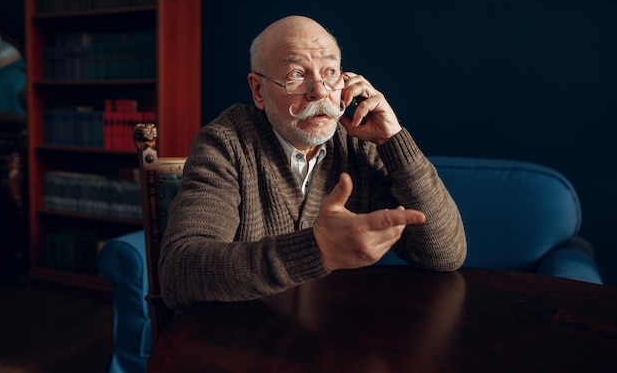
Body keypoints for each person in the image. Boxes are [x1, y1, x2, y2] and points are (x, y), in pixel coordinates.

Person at [160, 15, 466, 310]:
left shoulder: (358, 146)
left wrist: (393, 141)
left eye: (330, 73)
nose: (319, 91)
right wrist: (319, 250)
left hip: (335, 342)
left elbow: (444, 256)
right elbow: (180, 272)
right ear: (258, 90)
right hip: (245, 344)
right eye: (296, 74)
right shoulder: (226, 143)